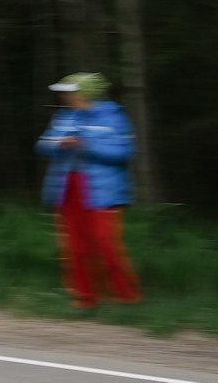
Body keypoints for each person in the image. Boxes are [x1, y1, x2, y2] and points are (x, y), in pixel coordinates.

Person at [38, 72, 143, 310]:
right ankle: (85, 296)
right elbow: (43, 145)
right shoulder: (63, 116)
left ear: (83, 93)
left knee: (105, 242)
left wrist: (87, 145)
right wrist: (60, 144)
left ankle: (126, 294)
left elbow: (123, 153)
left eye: (69, 91)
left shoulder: (113, 116)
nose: (65, 96)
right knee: (74, 245)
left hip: (102, 190)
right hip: (67, 189)